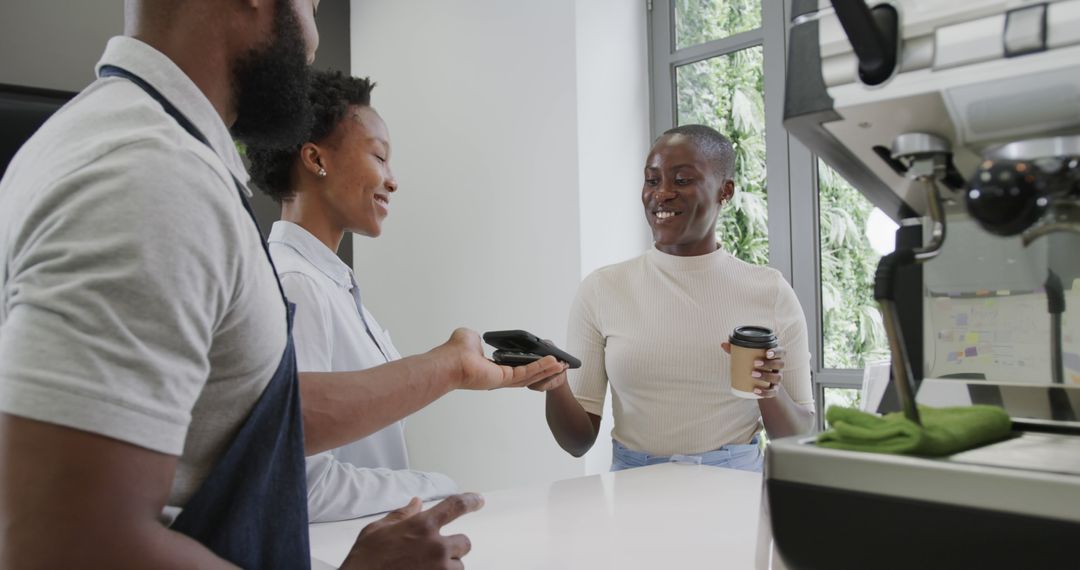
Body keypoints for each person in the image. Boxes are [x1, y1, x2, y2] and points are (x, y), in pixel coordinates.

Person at [0, 1, 563, 568]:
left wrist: (451, 367)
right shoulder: (152, 173)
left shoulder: (134, 146)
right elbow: (67, 541)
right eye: (311, 4)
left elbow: (244, 414)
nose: (314, 37)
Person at [534, 124, 816, 471]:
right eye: (652, 180)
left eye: (682, 180)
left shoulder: (769, 291)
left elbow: (798, 438)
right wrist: (556, 383)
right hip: (634, 486)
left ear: (724, 191)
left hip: (735, 487)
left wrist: (768, 390)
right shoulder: (602, 289)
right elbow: (577, 442)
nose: (662, 194)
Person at [244, 70, 458, 522]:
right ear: (315, 158)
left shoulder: (328, 282)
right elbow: (301, 486)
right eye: (380, 157)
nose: (393, 180)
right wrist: (434, 487)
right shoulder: (294, 284)